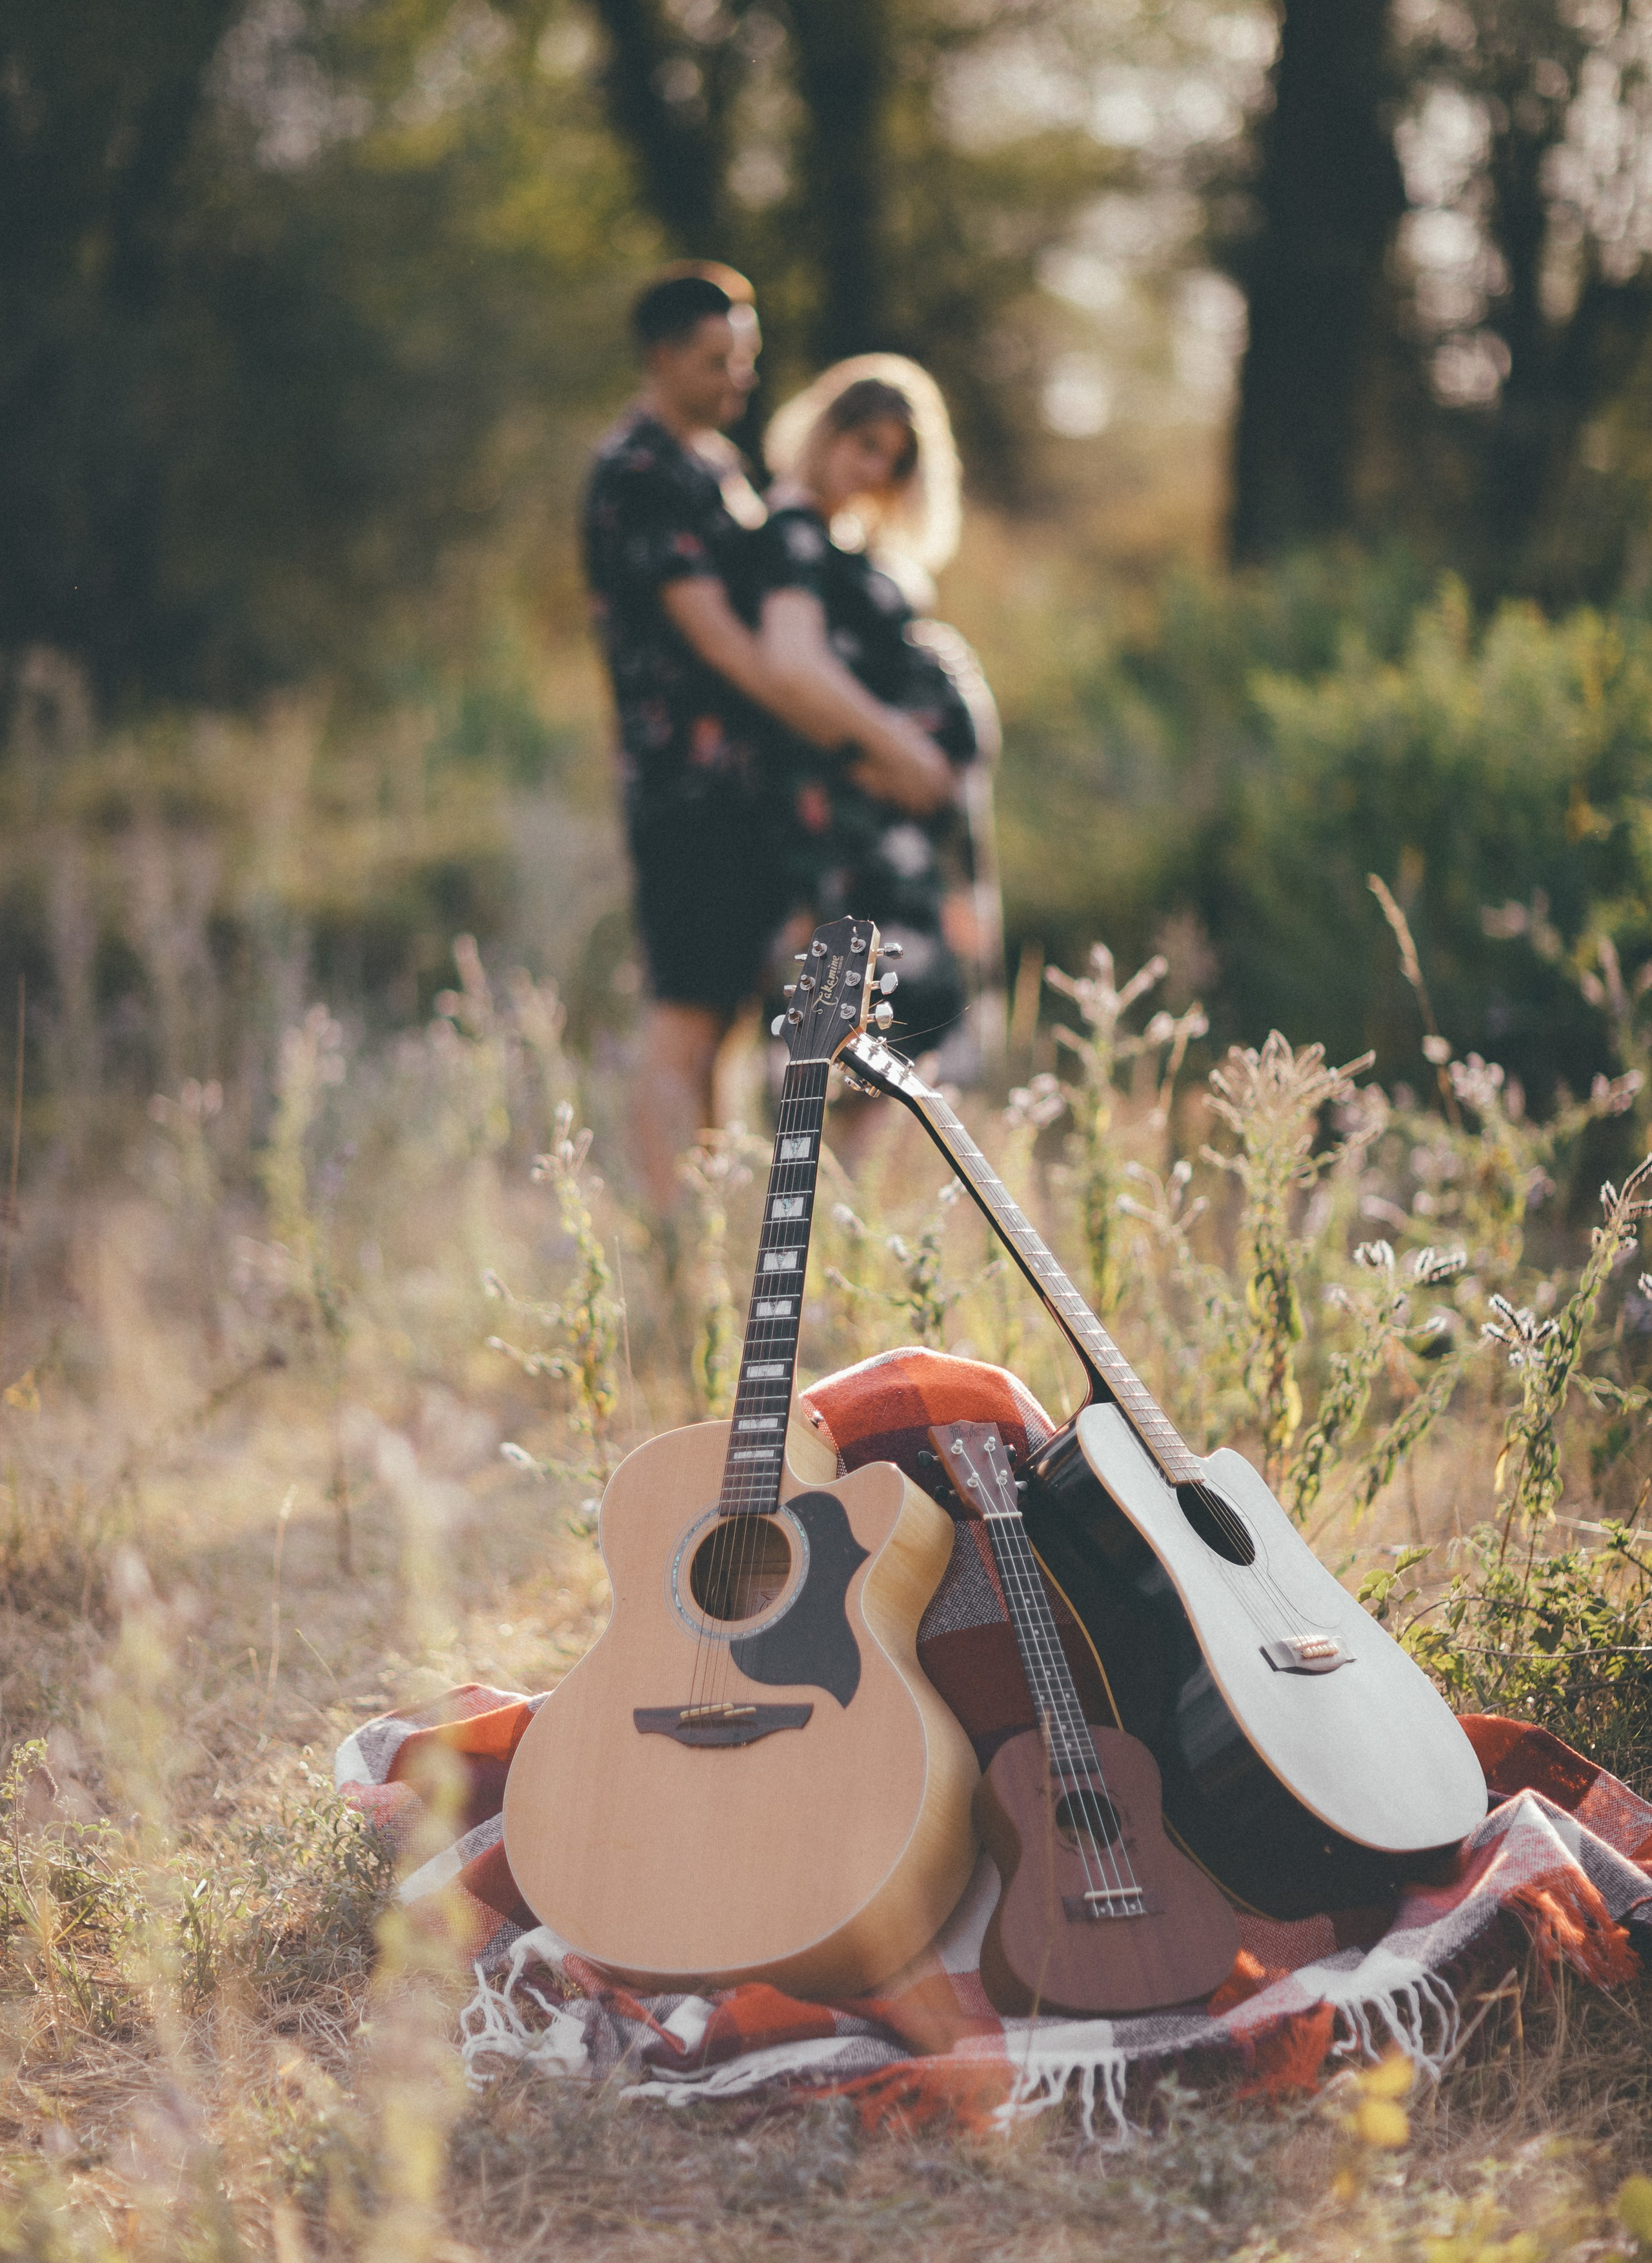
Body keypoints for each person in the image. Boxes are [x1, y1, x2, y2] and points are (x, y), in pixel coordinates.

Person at [582, 269, 954, 1213]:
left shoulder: (713, 467)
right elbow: (730, 647)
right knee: (688, 1018)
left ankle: (708, 1236)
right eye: (717, 360)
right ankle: (672, 1241)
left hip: (748, 794)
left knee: (734, 1028)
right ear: (661, 357)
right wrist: (854, 743)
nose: (740, 378)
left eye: (745, 356)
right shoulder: (639, 470)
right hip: (689, 791)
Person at [745, 354, 1002, 1079]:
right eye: (866, 445)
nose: (875, 470)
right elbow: (794, 669)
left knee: (892, 1036)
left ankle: (867, 1194)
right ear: (827, 433)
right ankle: (842, 1191)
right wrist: (900, 751)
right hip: (853, 826)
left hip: (893, 827)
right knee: (853, 1041)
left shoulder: (835, 537)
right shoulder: (793, 532)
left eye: (894, 460)